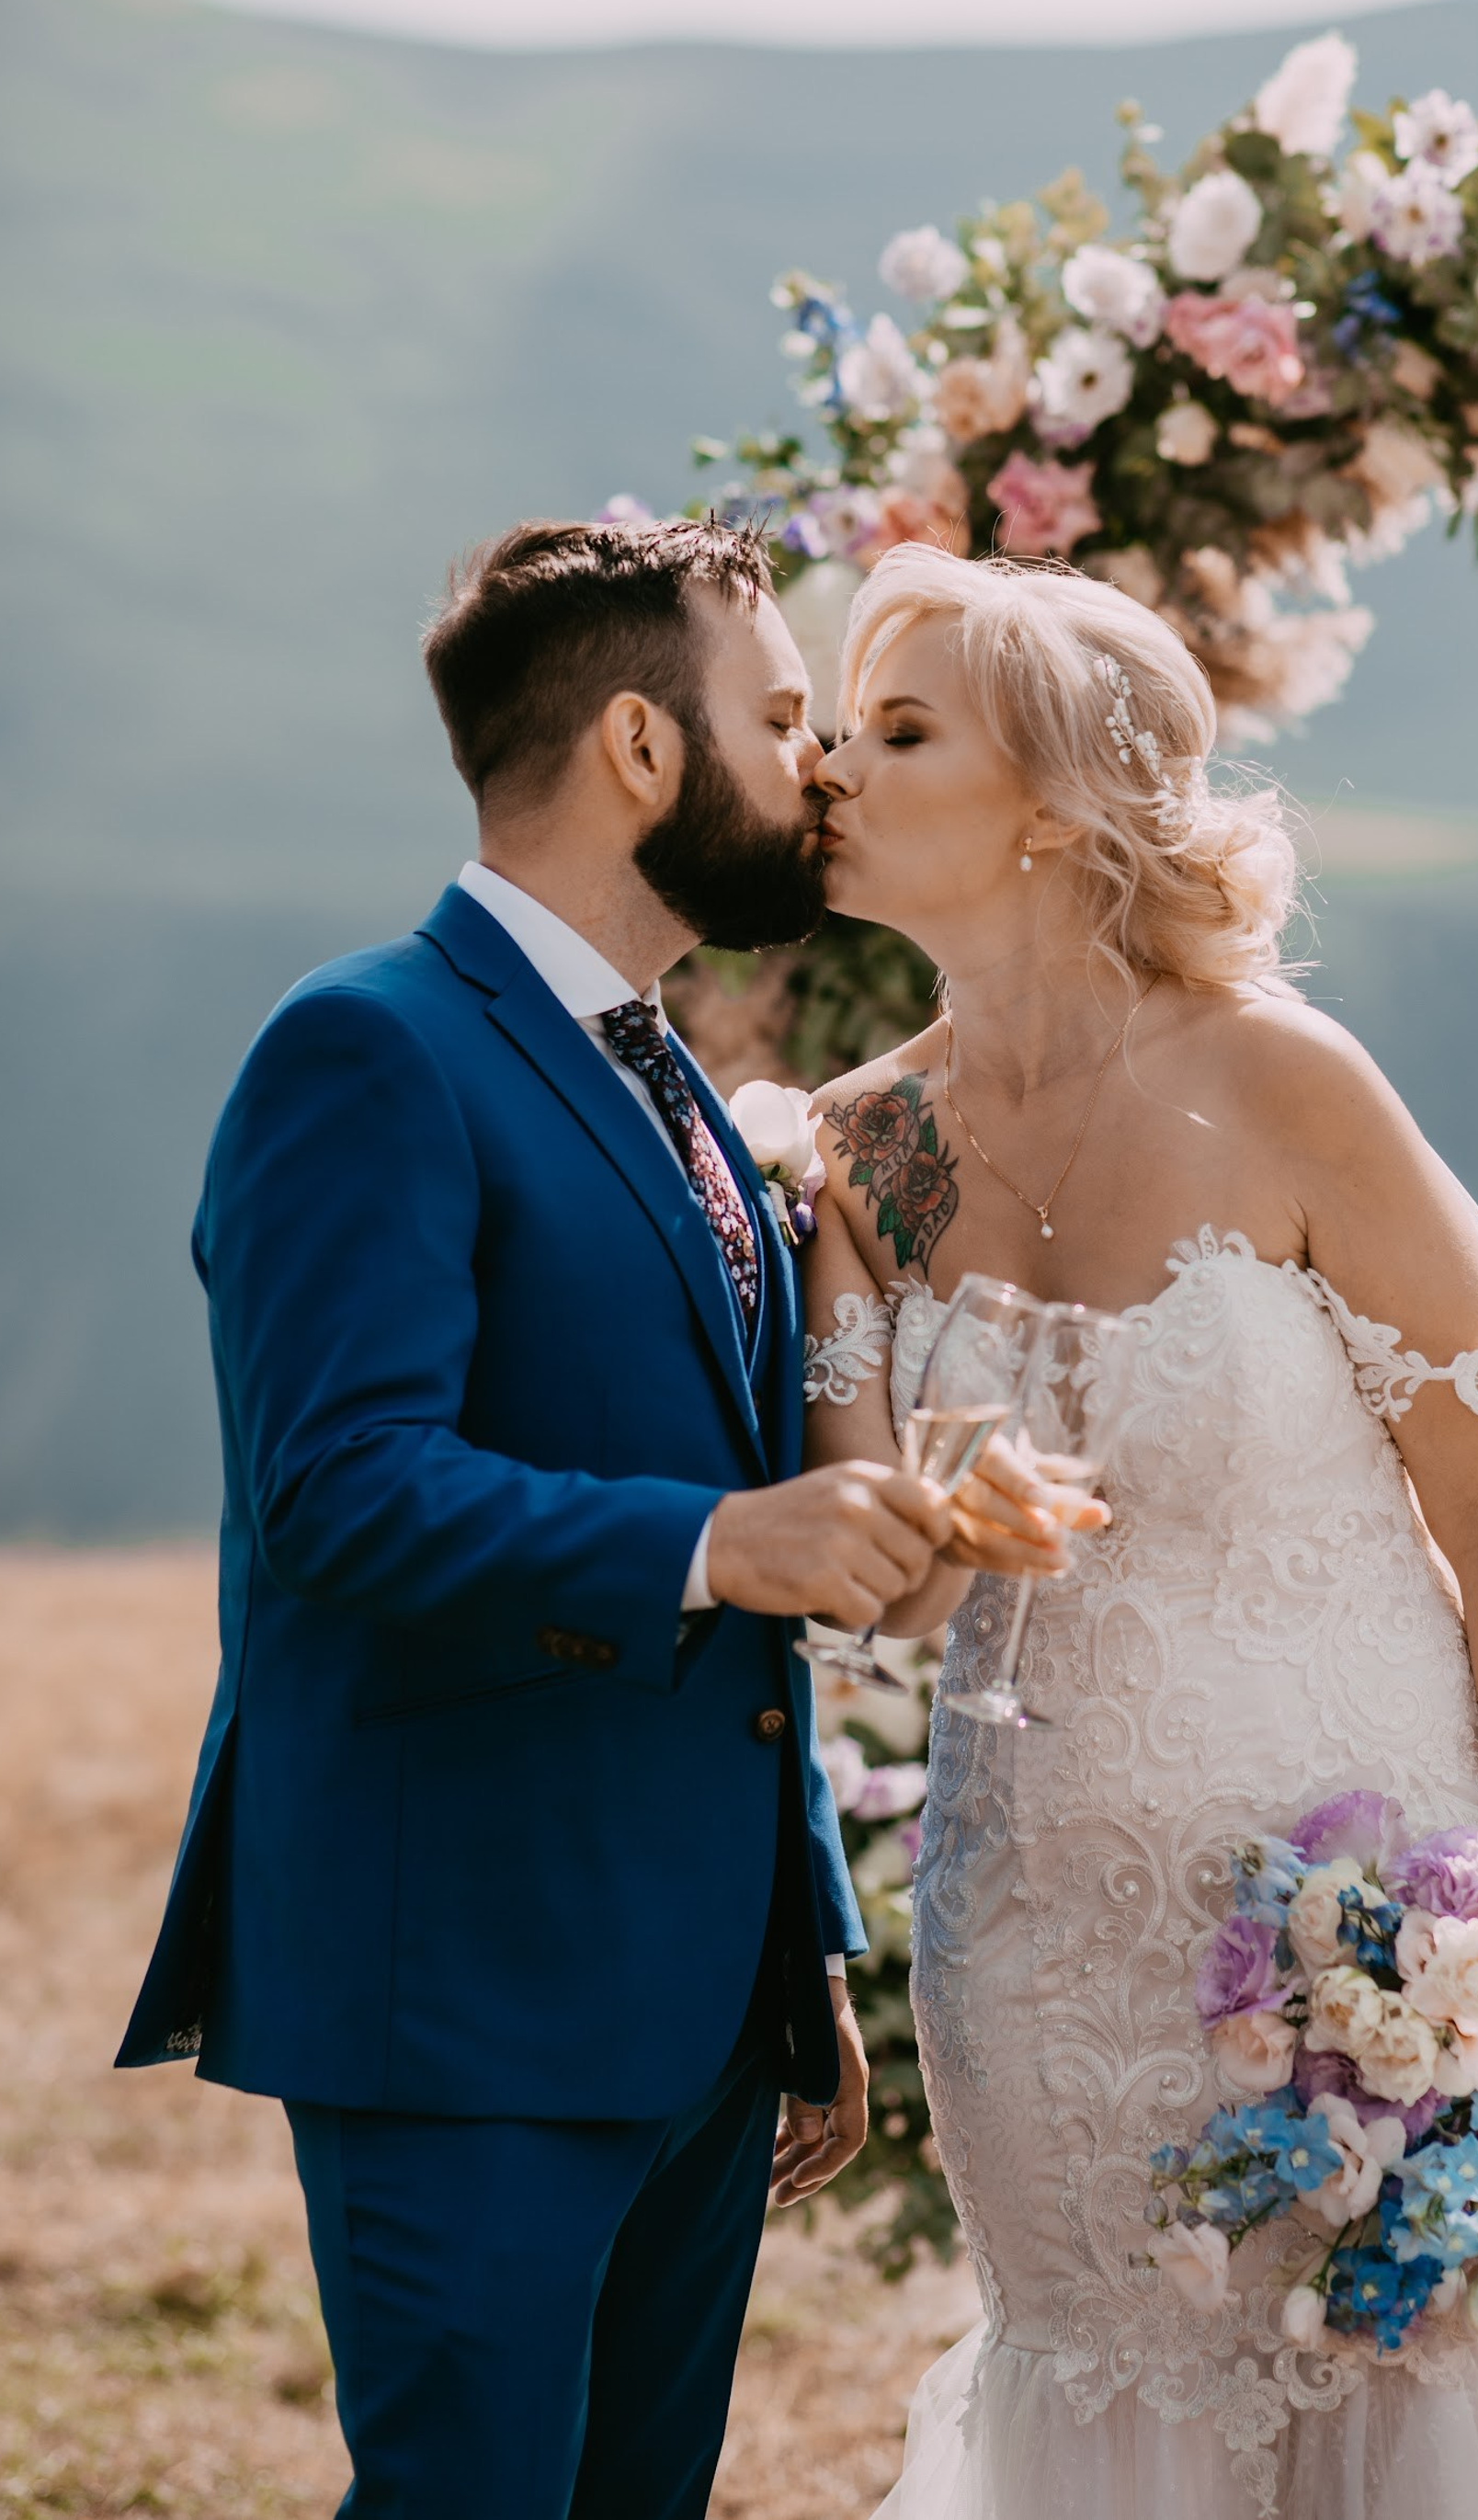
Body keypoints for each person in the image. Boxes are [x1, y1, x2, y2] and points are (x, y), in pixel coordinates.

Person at [799, 542, 1478, 2520]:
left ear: (1052, 805)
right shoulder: (861, 1146)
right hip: (1036, 1950)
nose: (829, 765)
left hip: (1366, 1913)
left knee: (1412, 2400)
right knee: (1101, 2389)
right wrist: (937, 1521)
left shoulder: (1284, 1081)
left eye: (897, 732)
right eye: (835, 725)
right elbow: (875, 1579)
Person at [115, 518, 1035, 2520]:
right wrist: (718, 1542)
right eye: (779, 717)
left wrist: (796, 1960)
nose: (816, 766)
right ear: (640, 744)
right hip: (463, 1988)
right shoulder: (368, 1046)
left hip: (697, 2004)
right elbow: (340, 1490)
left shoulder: (678, 1083)